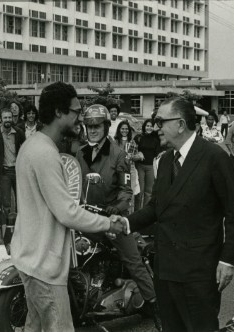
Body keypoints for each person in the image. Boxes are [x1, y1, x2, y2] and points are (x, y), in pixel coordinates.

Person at [118, 97, 234, 332]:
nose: (156, 127)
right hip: (166, 270)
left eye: (160, 121)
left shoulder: (214, 157)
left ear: (180, 124)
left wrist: (228, 261)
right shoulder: (165, 161)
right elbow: (156, 207)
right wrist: (125, 222)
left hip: (199, 272)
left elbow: (232, 212)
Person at [10, 82, 125, 332]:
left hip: (31, 259)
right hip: (43, 267)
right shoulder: (44, 153)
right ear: (59, 112)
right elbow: (66, 212)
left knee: (35, 327)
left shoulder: (33, 146)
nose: (80, 118)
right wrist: (108, 223)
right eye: (75, 111)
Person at [76, 105, 160, 329]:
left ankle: (155, 305)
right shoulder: (80, 153)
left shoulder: (118, 155)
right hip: (84, 216)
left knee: (133, 261)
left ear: (105, 126)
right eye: (89, 126)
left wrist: (115, 208)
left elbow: (126, 190)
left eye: (97, 126)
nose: (93, 130)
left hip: (112, 218)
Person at [114, 120, 141, 213]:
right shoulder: (115, 142)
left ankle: (130, 214)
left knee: (130, 192)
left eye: (126, 129)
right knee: (119, 192)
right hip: (118, 170)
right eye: (122, 129)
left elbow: (136, 155)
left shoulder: (132, 142)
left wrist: (135, 156)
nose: (124, 130)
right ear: (119, 130)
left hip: (130, 169)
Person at [134, 119, 161, 209]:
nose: (149, 128)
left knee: (149, 191)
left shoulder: (156, 139)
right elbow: (133, 150)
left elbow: (158, 153)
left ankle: (145, 212)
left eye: (151, 126)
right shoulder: (138, 137)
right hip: (140, 166)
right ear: (144, 127)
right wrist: (138, 153)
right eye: (147, 126)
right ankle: (136, 211)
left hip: (151, 167)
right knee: (139, 191)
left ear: (154, 128)